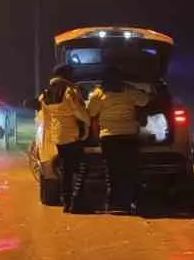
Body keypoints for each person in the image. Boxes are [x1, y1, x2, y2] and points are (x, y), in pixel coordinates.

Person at [85, 66, 149, 213]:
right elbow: (144, 101)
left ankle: (114, 204)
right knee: (130, 171)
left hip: (109, 138)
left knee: (112, 172)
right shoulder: (129, 91)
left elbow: (91, 112)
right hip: (128, 136)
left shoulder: (98, 94)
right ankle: (133, 202)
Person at [39, 63, 90, 212]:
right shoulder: (69, 91)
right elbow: (78, 111)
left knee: (65, 170)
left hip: (58, 135)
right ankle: (74, 203)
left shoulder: (46, 93)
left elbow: (46, 118)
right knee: (75, 169)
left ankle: (66, 201)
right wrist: (87, 121)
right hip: (71, 135)